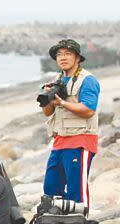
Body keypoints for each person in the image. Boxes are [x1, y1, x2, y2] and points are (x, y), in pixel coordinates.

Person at [41, 39, 100, 213]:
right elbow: (47, 112)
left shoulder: (87, 80)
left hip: (81, 140)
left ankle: (80, 223)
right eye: (59, 55)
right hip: (60, 140)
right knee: (51, 186)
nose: (63, 58)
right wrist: (47, 97)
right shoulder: (57, 80)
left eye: (68, 54)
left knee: (76, 189)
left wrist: (62, 103)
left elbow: (88, 110)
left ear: (77, 58)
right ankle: (58, 220)